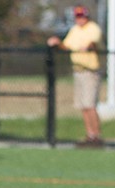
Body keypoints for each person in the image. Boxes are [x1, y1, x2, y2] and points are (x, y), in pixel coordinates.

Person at [48, 5, 103, 148]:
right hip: (78, 70)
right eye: (77, 17)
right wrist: (57, 43)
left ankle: (96, 136)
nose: (80, 19)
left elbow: (93, 42)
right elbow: (67, 46)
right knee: (83, 105)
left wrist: (89, 46)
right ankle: (89, 135)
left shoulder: (93, 28)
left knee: (90, 104)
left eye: (82, 16)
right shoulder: (75, 30)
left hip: (90, 71)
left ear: (87, 17)